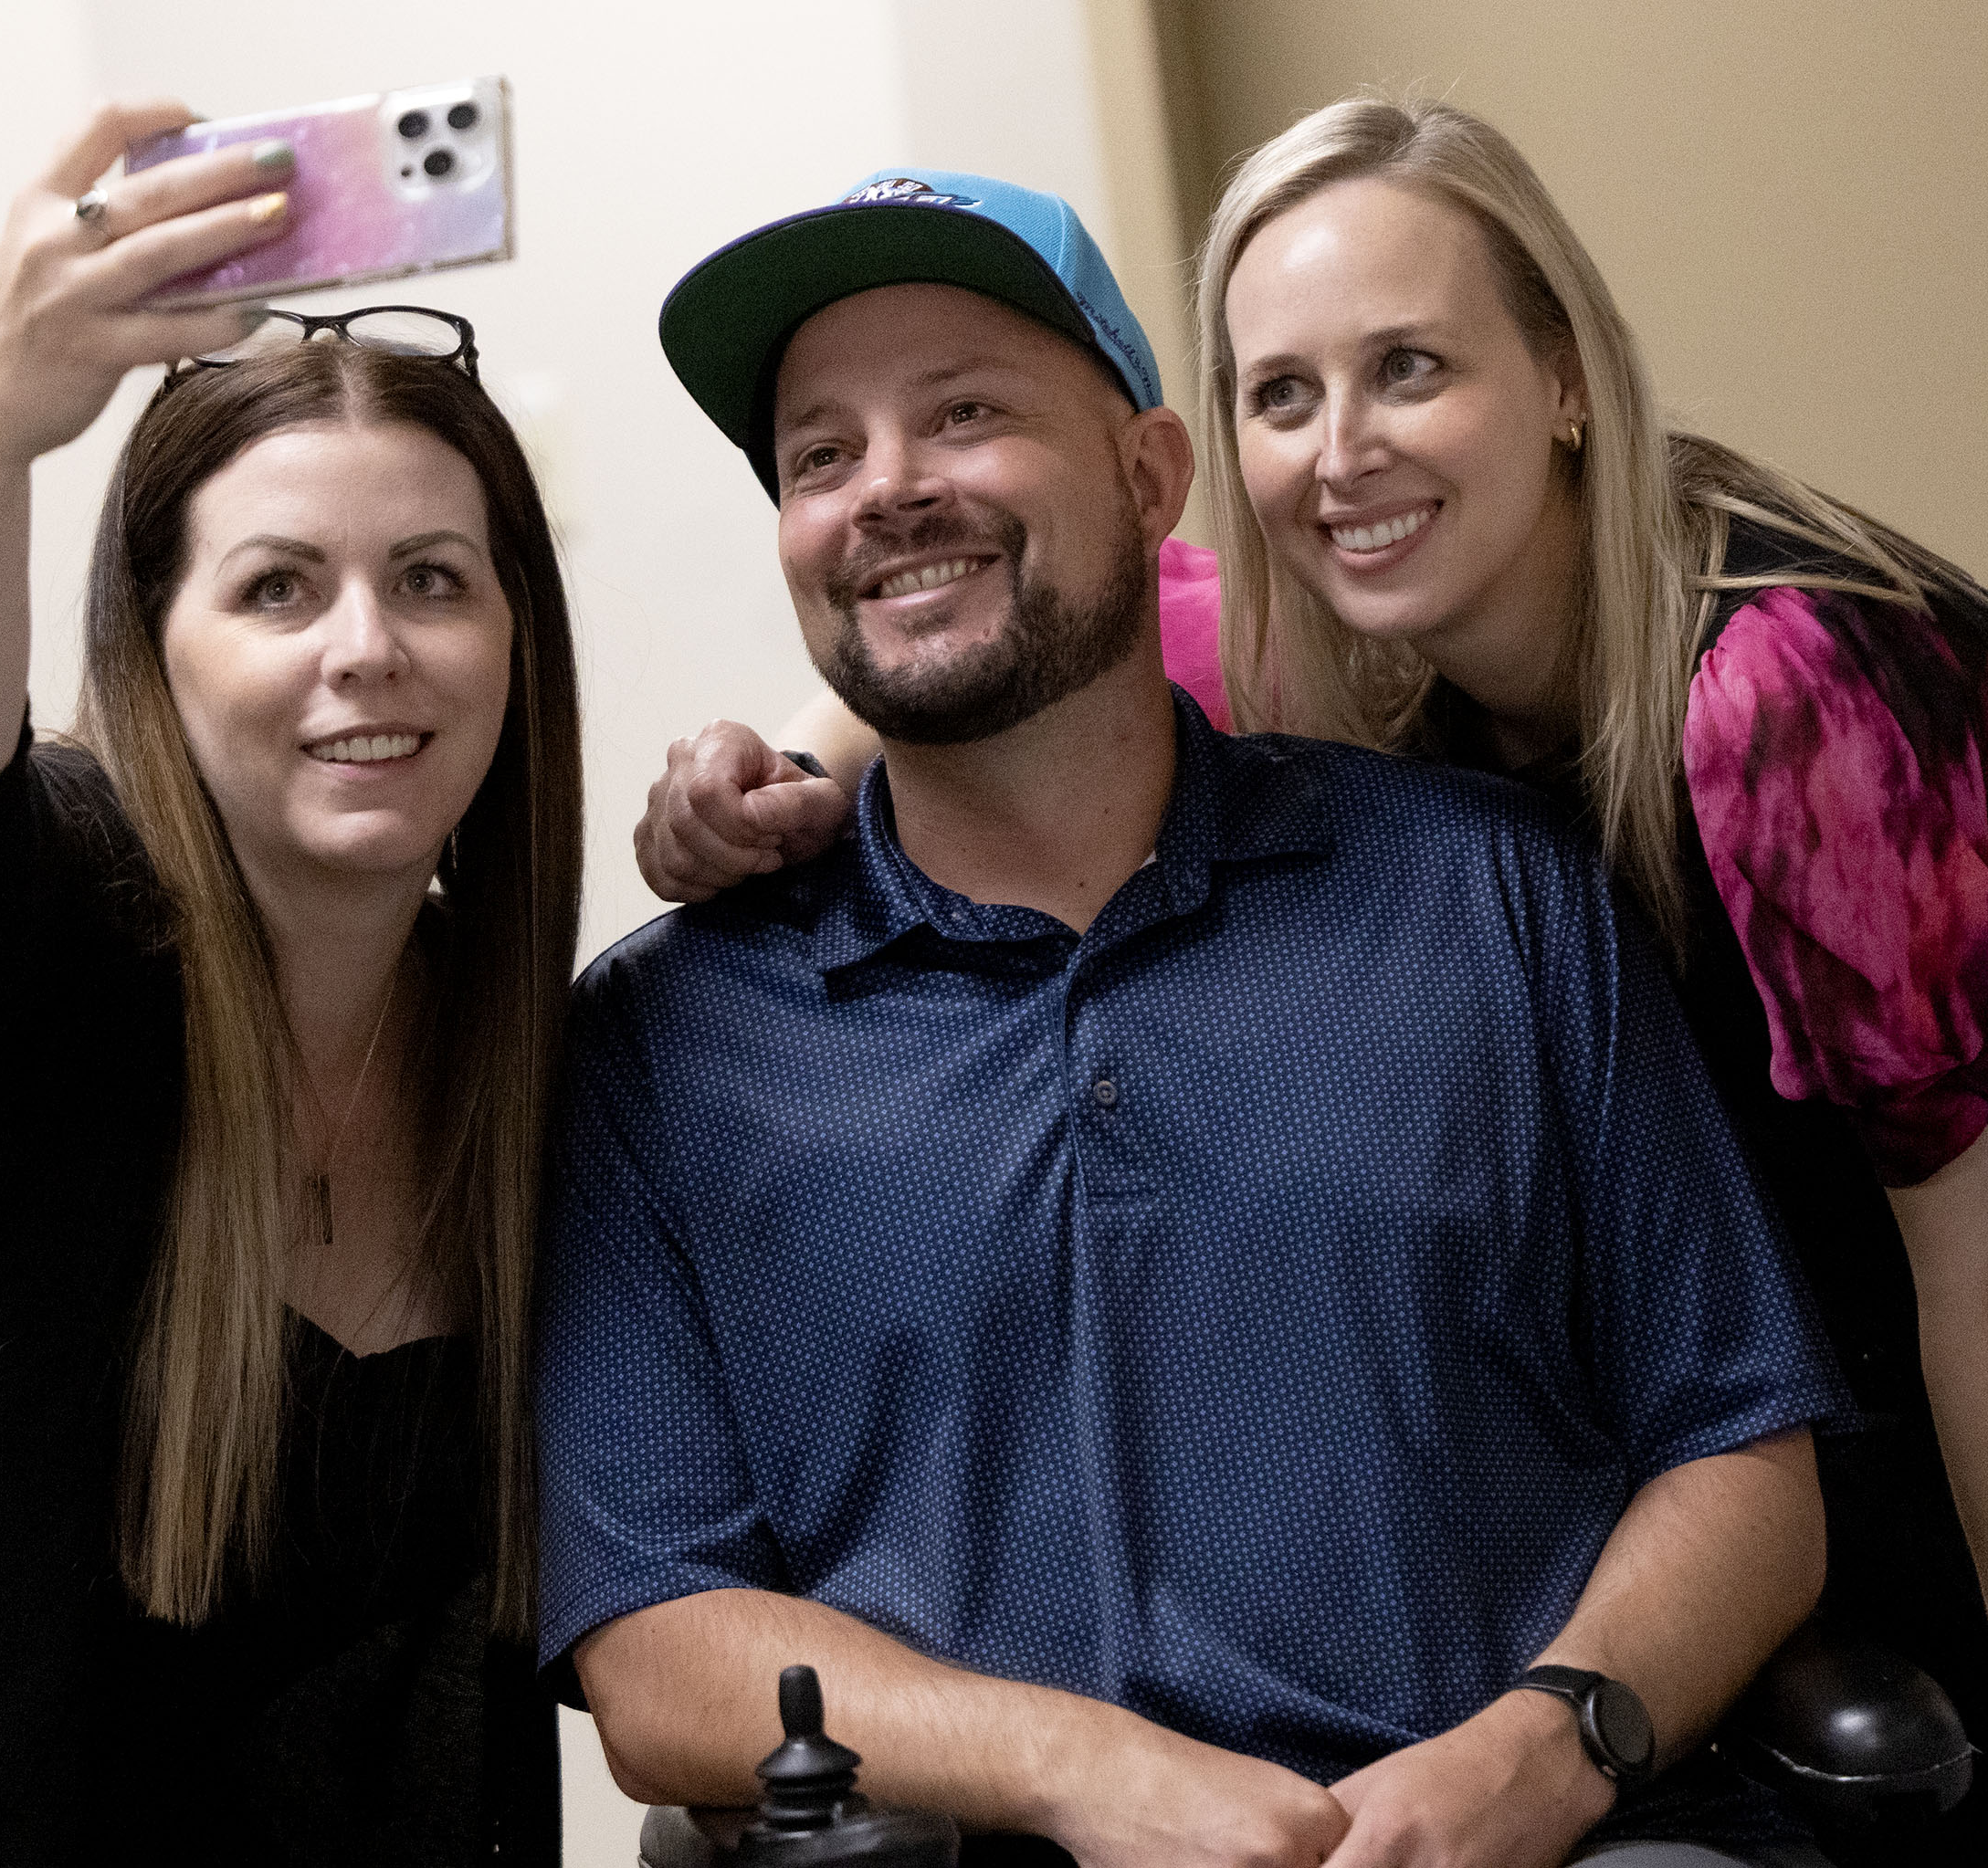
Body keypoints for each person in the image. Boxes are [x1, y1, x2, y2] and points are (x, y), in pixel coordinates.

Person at [636, 102, 1988, 1868]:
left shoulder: (1788, 696)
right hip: (1875, 1392)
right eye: (1284, 396)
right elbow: (978, 603)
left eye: (1409, 368)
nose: (1342, 455)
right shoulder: (1350, 624)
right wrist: (755, 776)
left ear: (1560, 376)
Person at [546, 168, 1857, 1868]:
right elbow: (656, 1645)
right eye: (821, 455)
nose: (888, 491)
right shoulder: (665, 1038)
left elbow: (1745, 1456)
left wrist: (1544, 1753)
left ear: (1150, 474)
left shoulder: (1491, 894)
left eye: (964, 413)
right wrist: (1083, 1770)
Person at [0, 104, 577, 1864]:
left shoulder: (524, 1073)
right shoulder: (37, 921)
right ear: (153, 656)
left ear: (519, 642)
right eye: (278, 587)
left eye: (431, 581)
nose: (366, 644)